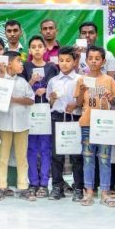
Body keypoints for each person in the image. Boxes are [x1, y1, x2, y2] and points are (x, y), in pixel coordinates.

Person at [76, 46, 115, 208]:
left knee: (104, 158)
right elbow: (79, 103)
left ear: (103, 61)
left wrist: (110, 98)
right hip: (87, 123)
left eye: (97, 58)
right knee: (88, 157)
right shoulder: (81, 79)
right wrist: (81, 92)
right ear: (86, 60)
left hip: (104, 125)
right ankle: (88, 192)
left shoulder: (109, 80)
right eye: (91, 58)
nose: (94, 61)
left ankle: (105, 193)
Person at [0, 51, 35, 201]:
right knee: (2, 157)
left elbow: (31, 99)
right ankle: (1, 186)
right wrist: (1, 73)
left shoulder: (23, 82)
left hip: (22, 124)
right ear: (9, 63)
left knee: (21, 157)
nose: (22, 64)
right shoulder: (0, 79)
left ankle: (23, 186)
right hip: (3, 123)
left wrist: (15, 100)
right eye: (19, 61)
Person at [23, 35, 58, 197]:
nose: (37, 49)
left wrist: (47, 91)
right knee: (31, 149)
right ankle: (33, 182)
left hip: (46, 113)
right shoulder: (25, 67)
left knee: (45, 148)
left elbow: (56, 90)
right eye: (34, 46)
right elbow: (21, 90)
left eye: (40, 46)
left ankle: (44, 183)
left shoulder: (51, 68)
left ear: (45, 49)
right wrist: (31, 83)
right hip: (29, 112)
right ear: (29, 50)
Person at [46, 46, 81, 201]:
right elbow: (49, 102)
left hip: (74, 119)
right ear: (57, 62)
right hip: (57, 118)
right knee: (57, 155)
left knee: (76, 155)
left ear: (74, 62)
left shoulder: (80, 80)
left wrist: (76, 105)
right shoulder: (53, 81)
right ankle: (57, 186)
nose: (64, 64)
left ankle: (79, 187)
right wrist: (52, 99)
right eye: (61, 60)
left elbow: (83, 100)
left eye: (68, 60)